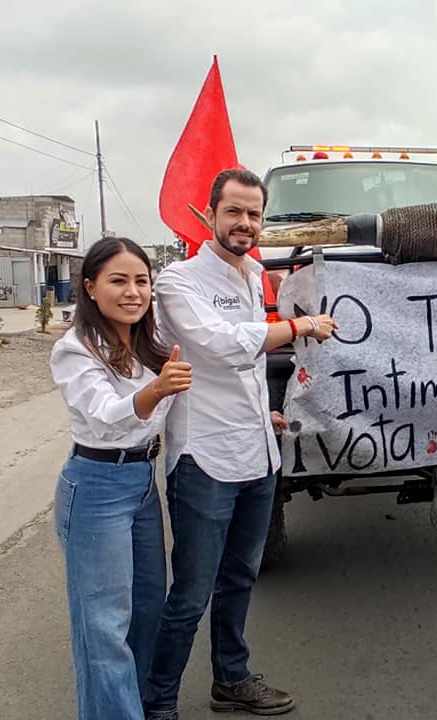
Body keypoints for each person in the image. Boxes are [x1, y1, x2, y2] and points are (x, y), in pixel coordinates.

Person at [143, 168, 338, 720]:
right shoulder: (177, 280)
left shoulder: (254, 274)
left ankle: (230, 678)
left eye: (254, 213)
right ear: (209, 215)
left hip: (257, 452)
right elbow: (220, 346)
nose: (245, 223)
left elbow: (246, 370)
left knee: (240, 578)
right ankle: (158, 702)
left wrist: (264, 411)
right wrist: (299, 329)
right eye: (234, 211)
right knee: (191, 594)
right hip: (205, 457)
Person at [51, 237, 192, 720]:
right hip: (95, 487)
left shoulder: (148, 346)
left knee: (148, 607)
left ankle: (143, 707)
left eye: (141, 281)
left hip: (140, 482)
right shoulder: (75, 350)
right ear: (90, 287)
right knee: (104, 627)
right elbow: (108, 415)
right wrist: (157, 388)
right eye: (118, 280)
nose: (133, 291)